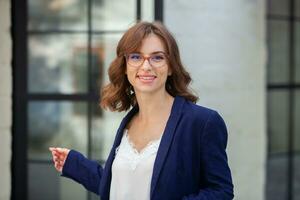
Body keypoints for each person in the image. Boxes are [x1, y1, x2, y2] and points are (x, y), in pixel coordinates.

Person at [49, 21, 234, 200]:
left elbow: (221, 190)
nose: (146, 66)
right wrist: (76, 165)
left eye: (157, 57)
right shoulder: (128, 122)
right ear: (125, 66)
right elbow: (122, 186)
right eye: (136, 57)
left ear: (170, 67)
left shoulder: (202, 122)